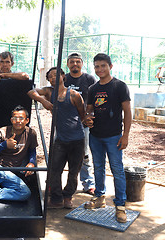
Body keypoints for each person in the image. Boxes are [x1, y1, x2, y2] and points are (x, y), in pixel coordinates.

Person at [84, 53, 131, 223]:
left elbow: (127, 111)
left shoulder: (120, 86)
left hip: (114, 137)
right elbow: (89, 110)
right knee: (98, 167)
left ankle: (120, 206)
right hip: (95, 136)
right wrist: (88, 118)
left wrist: (125, 135)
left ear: (110, 66)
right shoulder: (93, 89)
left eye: (103, 65)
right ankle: (99, 198)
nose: (100, 69)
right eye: (97, 66)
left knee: (117, 170)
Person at [0, 105, 38, 216]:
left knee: (25, 193)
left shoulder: (31, 133)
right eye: (14, 118)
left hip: (11, 173)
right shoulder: (2, 131)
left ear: (27, 120)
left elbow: (32, 150)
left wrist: (32, 162)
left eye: (21, 118)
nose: (17, 121)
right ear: (11, 120)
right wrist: (4, 145)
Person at [46, 67, 86, 209]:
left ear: (63, 76)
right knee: (54, 170)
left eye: (56, 75)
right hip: (60, 140)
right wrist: (42, 100)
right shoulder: (49, 93)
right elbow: (31, 92)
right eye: (50, 76)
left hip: (77, 140)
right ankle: (56, 199)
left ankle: (68, 196)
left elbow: (82, 114)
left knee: (74, 170)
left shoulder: (73, 95)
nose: (53, 78)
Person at [65, 52, 97, 195]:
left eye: (78, 61)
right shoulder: (63, 79)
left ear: (82, 63)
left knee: (84, 155)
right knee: (59, 155)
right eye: (72, 62)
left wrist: (89, 116)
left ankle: (88, 184)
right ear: (68, 64)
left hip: (82, 125)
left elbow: (96, 99)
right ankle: (54, 185)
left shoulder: (89, 79)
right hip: (64, 125)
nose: (75, 64)